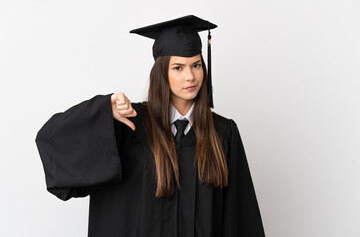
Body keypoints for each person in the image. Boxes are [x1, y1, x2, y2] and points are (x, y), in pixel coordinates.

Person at [35, 15, 266, 237]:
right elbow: (53, 140)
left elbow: (240, 219)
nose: (190, 76)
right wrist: (104, 111)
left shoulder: (223, 133)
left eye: (196, 65)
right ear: (161, 73)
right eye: (178, 67)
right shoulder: (129, 125)